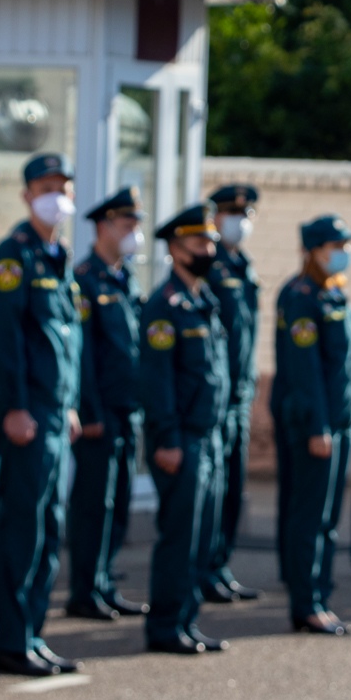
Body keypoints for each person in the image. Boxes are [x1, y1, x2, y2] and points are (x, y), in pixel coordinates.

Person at [0, 152, 84, 677]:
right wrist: (17, 406)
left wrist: (67, 405)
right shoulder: (14, 255)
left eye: (64, 186)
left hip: (53, 411)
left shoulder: (56, 255)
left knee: (49, 527)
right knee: (22, 527)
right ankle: (11, 639)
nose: (57, 196)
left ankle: (34, 632)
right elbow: (6, 340)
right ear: (26, 195)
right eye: (47, 187)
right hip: (29, 414)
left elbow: (64, 340)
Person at [138, 204, 230, 654]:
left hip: (209, 437)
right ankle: (165, 626)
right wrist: (168, 438)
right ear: (175, 249)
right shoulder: (164, 306)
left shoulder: (203, 301)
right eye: (198, 242)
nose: (208, 250)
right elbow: (158, 382)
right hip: (182, 440)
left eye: (210, 241)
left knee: (202, 537)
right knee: (180, 536)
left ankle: (187, 620)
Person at [271, 214, 351, 635]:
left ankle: (320, 594)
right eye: (335, 247)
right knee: (308, 516)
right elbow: (304, 369)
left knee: (328, 519)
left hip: (340, 423)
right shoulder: (300, 297)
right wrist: (317, 426)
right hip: (316, 425)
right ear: (313, 251)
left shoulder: (335, 294)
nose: (342, 253)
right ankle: (305, 601)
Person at [65, 187, 145, 621]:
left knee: (118, 501)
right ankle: (83, 589)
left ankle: (104, 581)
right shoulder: (85, 280)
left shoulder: (123, 278)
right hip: (100, 413)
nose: (134, 233)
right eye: (127, 224)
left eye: (136, 225)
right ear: (103, 226)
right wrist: (90, 412)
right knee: (93, 504)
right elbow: (83, 355)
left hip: (125, 407)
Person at [198, 183, 261, 603]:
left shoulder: (244, 266)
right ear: (216, 218)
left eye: (246, 214)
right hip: (219, 395)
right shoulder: (213, 266)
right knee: (214, 490)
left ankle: (220, 565)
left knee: (234, 488)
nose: (240, 221)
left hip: (240, 394)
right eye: (231, 213)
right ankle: (203, 568)